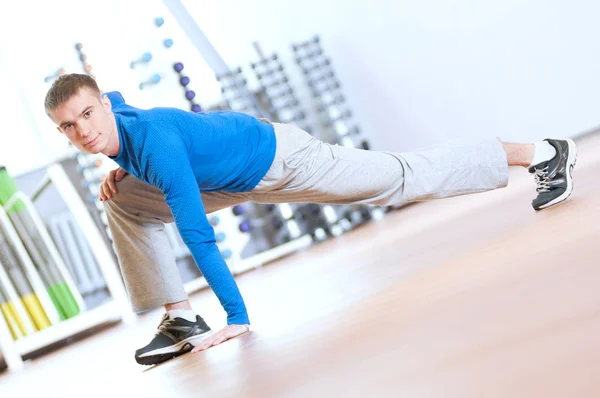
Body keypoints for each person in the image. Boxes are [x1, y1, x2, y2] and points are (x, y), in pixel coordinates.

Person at [45, 73, 577, 365]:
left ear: (105, 109)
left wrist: (237, 317)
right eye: (68, 126)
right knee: (121, 200)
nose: (83, 130)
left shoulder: (155, 143)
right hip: (229, 178)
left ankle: (541, 153)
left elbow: (198, 236)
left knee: (397, 181)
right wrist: (120, 170)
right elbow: (105, 95)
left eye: (89, 115)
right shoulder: (110, 116)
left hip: (282, 159)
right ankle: (180, 317)